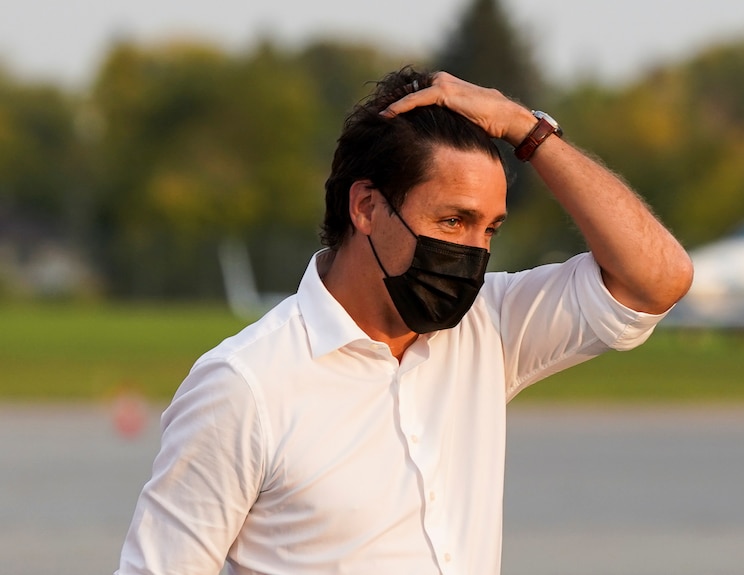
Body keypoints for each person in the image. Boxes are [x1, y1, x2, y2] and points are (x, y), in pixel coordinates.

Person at [115, 67, 693, 575]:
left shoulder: (488, 326)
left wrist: (527, 130)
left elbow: (658, 279)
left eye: (489, 229)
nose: (472, 251)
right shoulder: (245, 386)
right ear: (366, 207)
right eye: (452, 220)